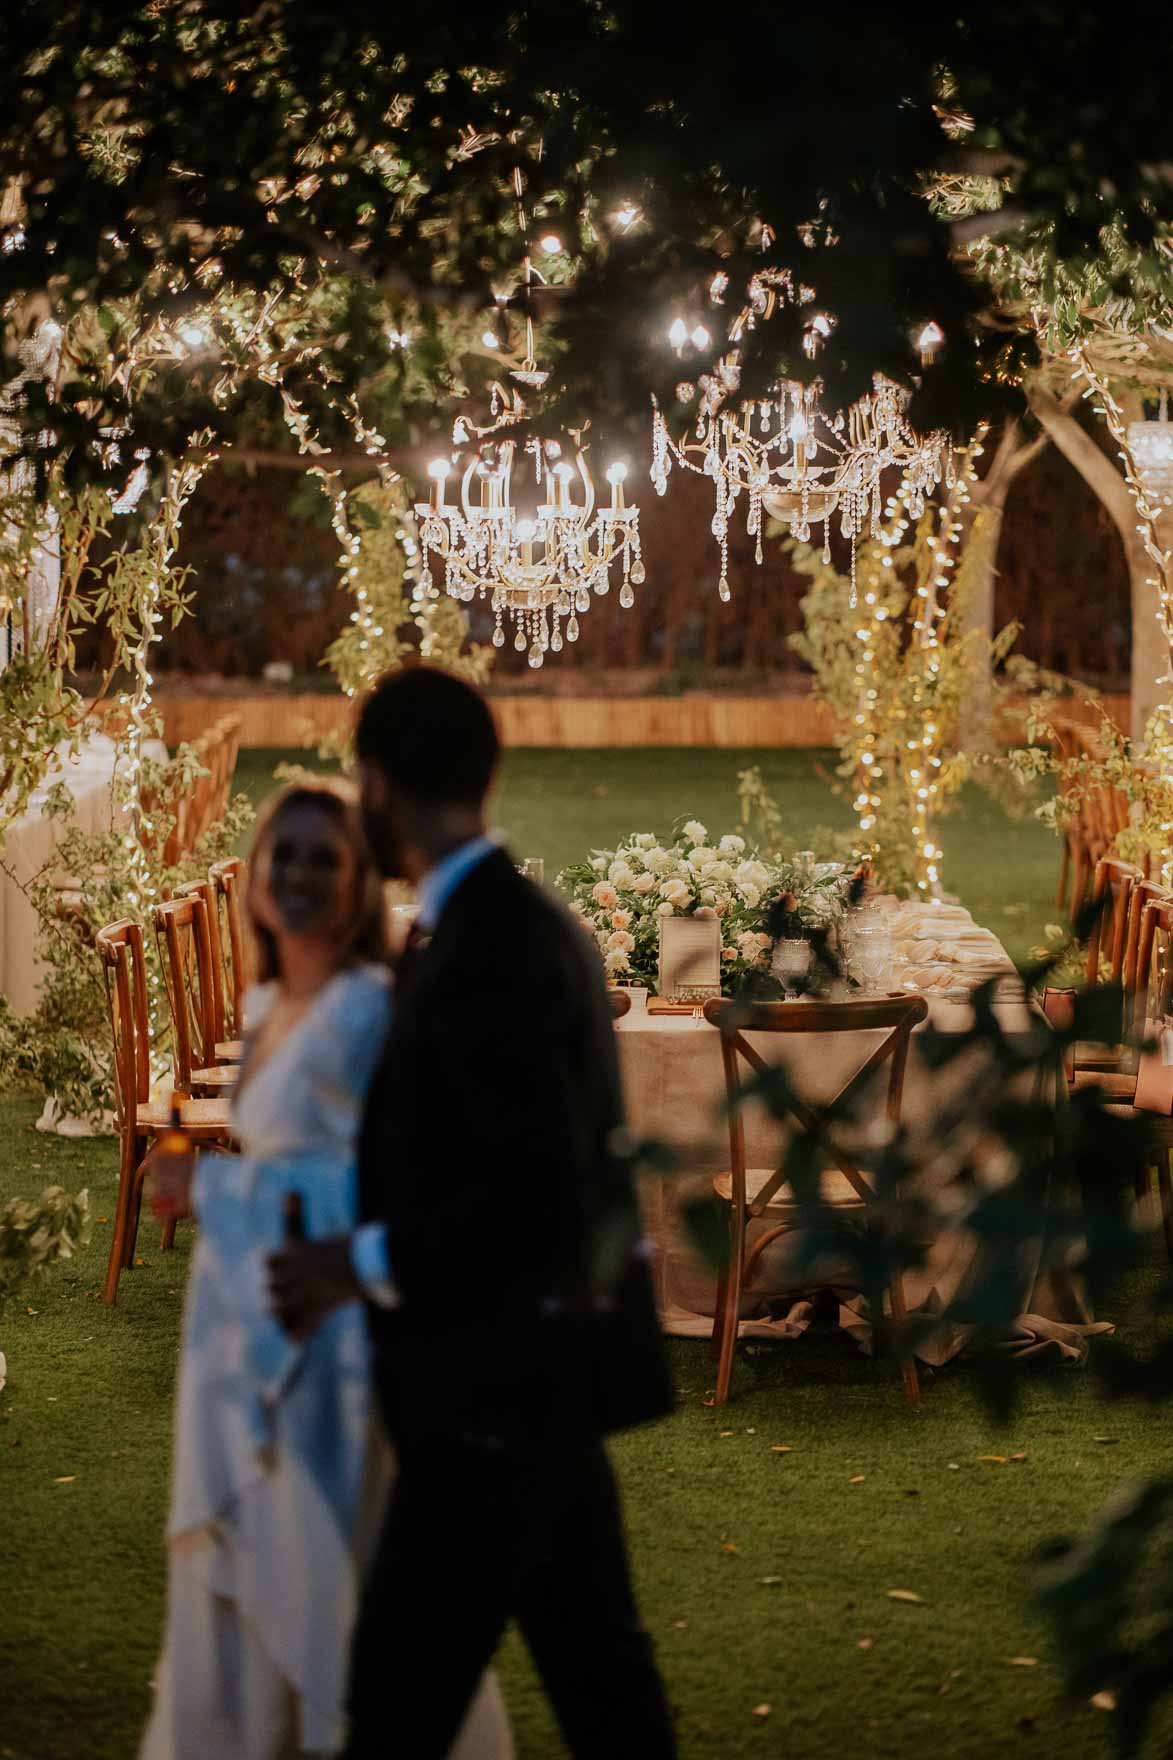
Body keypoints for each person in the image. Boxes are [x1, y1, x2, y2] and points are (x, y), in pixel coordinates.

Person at [268, 668, 678, 1760]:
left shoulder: (495, 944)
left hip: (493, 1390)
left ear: (378, 783)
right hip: (534, 1385)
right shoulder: (508, 922)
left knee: (399, 1702)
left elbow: (525, 1195)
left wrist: (353, 1260)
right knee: (605, 1686)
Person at [140, 781, 511, 1760]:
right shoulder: (271, 1002)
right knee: (260, 1552)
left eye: (325, 857)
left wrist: (209, 1191)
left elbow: (366, 1185)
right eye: (285, 854)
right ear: (257, 875)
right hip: (241, 1330)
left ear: (357, 886)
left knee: (321, 1555)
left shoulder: (362, 1009)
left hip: (328, 1339)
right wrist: (195, 1178)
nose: (299, 874)